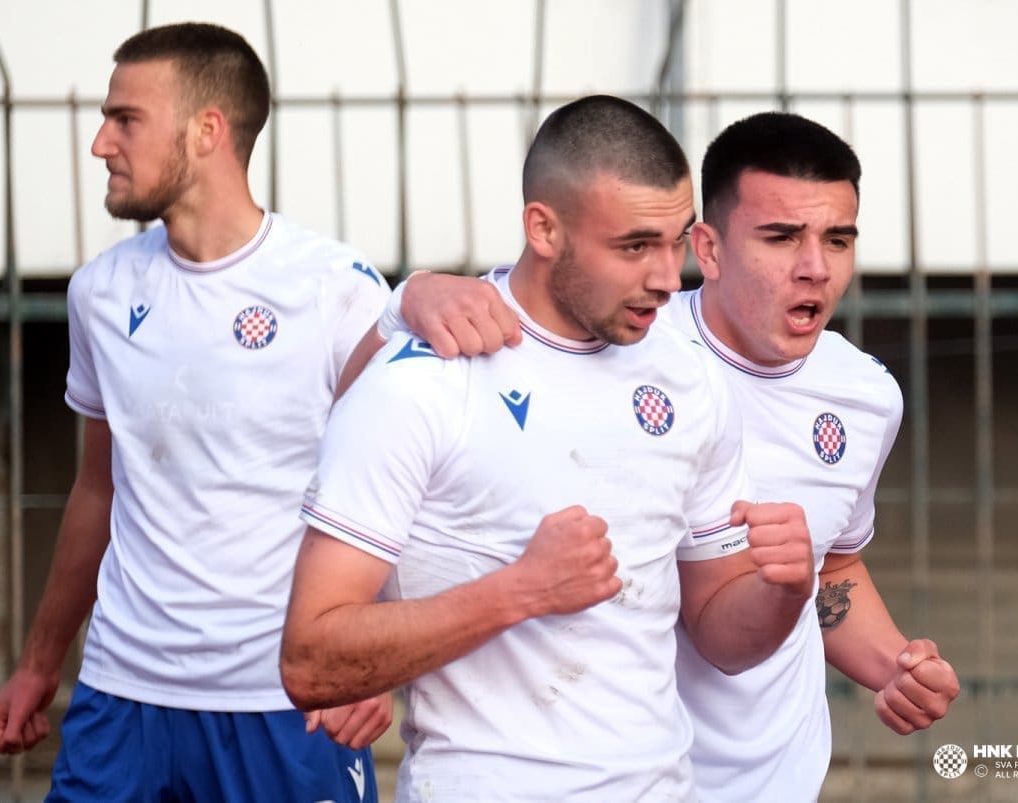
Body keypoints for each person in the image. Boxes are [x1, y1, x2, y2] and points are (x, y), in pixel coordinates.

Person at [0, 21, 501, 802]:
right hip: (124, 695)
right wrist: (37, 664)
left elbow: (399, 491)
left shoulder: (332, 288)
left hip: (282, 702)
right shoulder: (100, 291)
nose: (100, 144)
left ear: (206, 132)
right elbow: (98, 486)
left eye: (125, 119)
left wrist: (371, 656)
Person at [399, 110, 961, 801]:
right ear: (710, 247)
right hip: (630, 779)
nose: (814, 268)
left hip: (780, 782)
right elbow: (483, 317)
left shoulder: (867, 396)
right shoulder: (619, 334)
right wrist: (414, 293)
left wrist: (893, 664)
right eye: (781, 238)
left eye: (837, 239)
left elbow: (831, 564)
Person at [279, 94, 814, 802]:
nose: (665, 277)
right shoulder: (425, 381)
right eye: (633, 246)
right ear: (544, 228)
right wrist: (521, 591)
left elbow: (720, 634)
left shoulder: (690, 377)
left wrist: (786, 591)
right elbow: (311, 660)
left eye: (675, 241)